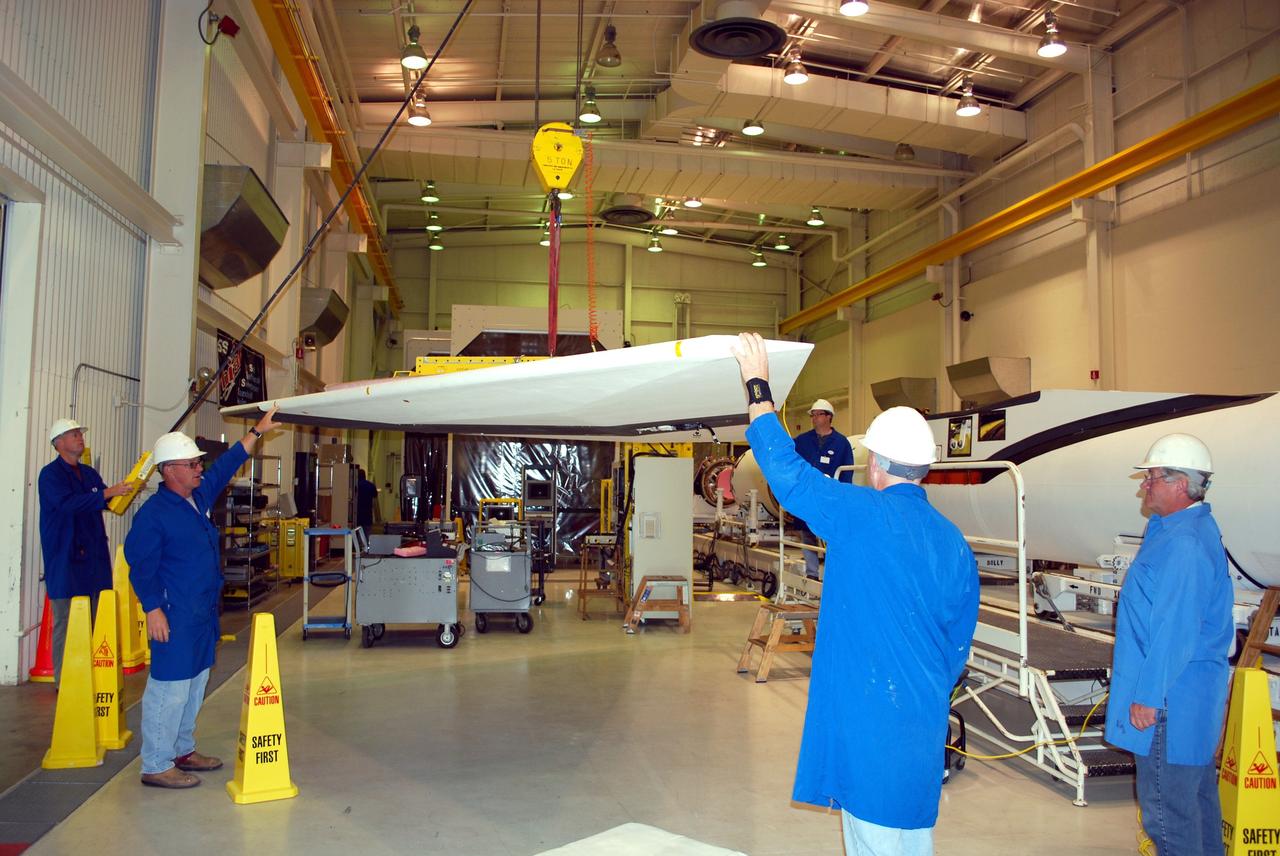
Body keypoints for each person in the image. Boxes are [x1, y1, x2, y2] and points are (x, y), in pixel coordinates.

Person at [731, 332, 977, 856]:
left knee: (875, 834)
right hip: (923, 719)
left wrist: (757, 388)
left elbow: (789, 476)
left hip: (872, 719)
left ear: (876, 464)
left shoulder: (860, 516)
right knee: (912, 836)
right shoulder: (954, 541)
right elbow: (959, 642)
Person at [125, 408, 279, 789]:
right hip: (174, 614)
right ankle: (156, 764)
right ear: (169, 470)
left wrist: (257, 431)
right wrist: (152, 608)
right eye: (192, 464)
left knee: (194, 685)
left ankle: (182, 750)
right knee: (169, 688)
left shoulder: (197, 498)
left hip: (201, 613)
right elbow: (139, 564)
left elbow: (224, 467)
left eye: (198, 463)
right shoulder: (154, 515)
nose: (199, 469)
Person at [1104, 433, 1232, 855]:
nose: (1144, 484)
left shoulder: (1184, 545)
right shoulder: (1182, 528)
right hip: (1187, 699)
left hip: (1171, 702)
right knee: (1195, 805)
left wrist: (1147, 696)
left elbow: (1175, 630)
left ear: (1180, 484)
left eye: (1153, 477)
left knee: (1167, 816)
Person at [38, 418, 137, 682]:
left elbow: (107, 501)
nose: (80, 438)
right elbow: (68, 504)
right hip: (66, 558)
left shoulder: (89, 474)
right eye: (73, 434)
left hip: (93, 559)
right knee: (66, 621)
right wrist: (107, 494)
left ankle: (89, 677)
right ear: (59, 443)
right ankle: (64, 681)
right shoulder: (50, 476)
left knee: (93, 618)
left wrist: (128, 488)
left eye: (80, 434)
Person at [792, 398, 854, 579]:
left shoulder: (841, 443)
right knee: (807, 534)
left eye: (818, 414)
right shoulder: (802, 441)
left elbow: (847, 472)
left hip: (831, 498)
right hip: (807, 496)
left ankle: (831, 574)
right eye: (813, 415)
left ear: (829, 417)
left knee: (830, 535)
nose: (814, 418)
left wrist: (843, 496)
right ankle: (812, 573)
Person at [356, 466, 378, 533]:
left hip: (357, 514)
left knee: (357, 533)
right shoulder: (371, 485)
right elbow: (375, 495)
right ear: (365, 476)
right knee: (366, 533)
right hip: (367, 514)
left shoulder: (355, 485)